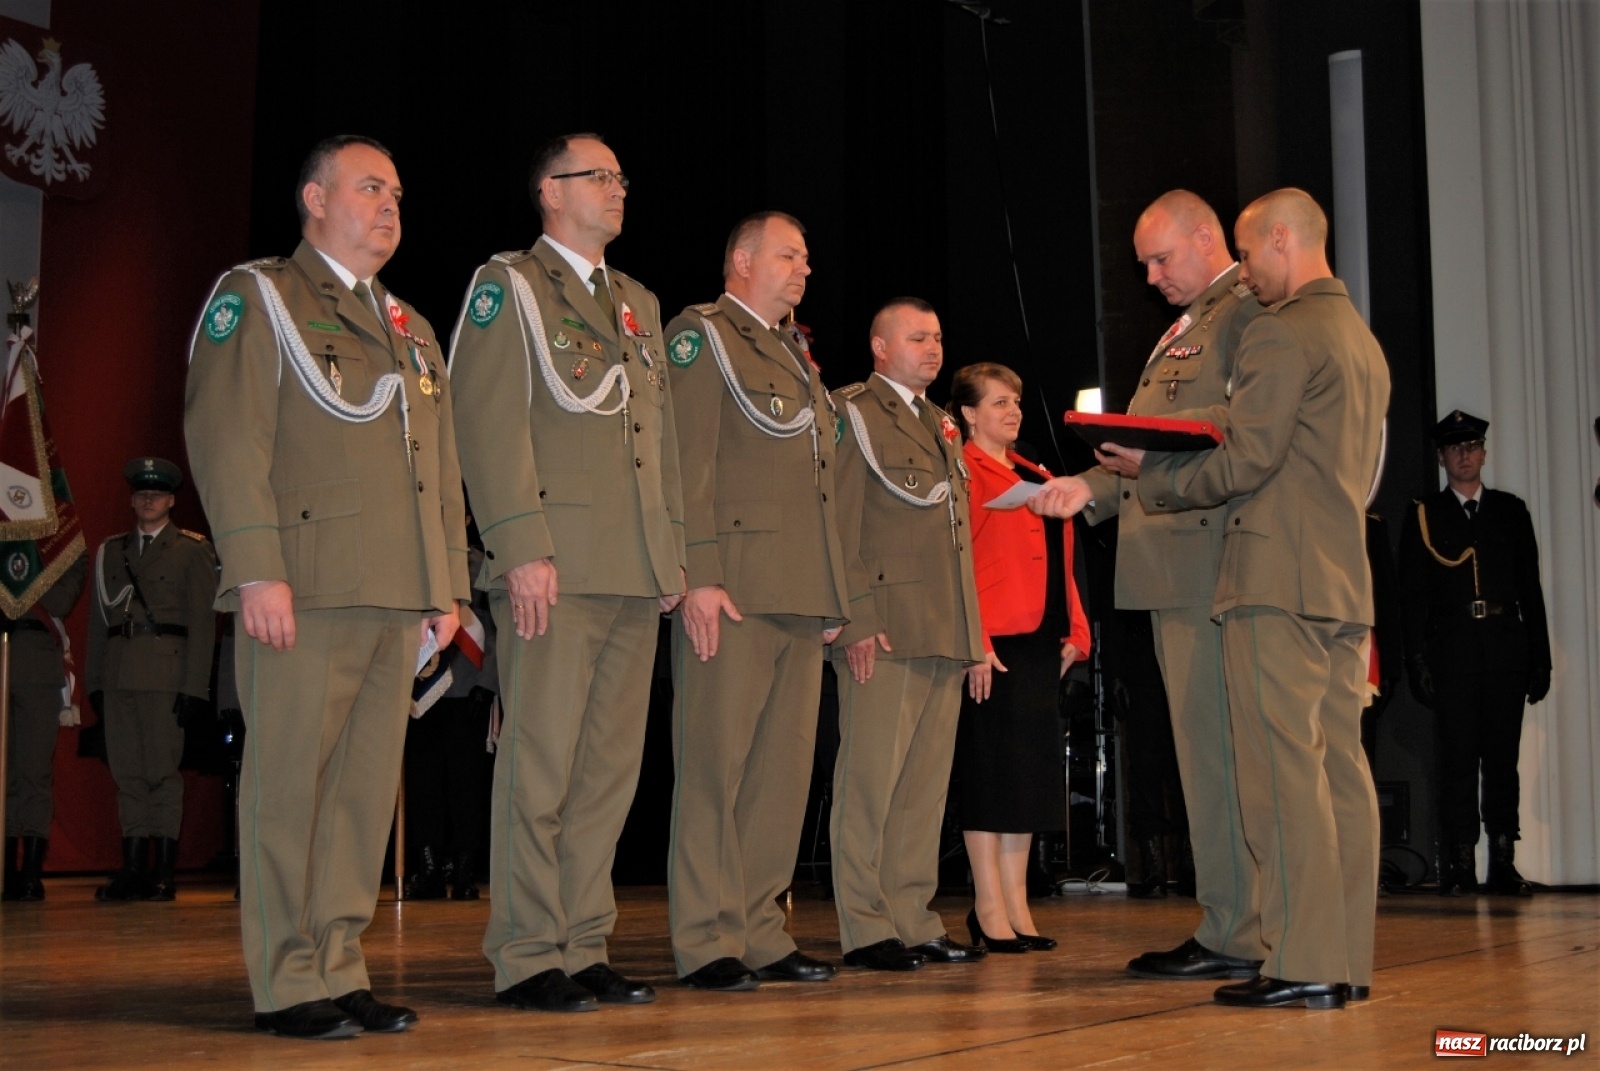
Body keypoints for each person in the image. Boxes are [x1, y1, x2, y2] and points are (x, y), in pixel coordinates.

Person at [185, 134, 469, 1039]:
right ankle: (284, 976)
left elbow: (439, 469)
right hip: (302, 585)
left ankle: (339, 963)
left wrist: (447, 585)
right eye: (369, 187)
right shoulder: (259, 297)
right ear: (313, 198)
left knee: (357, 794)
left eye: (397, 191)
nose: (390, 205)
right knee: (289, 787)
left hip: (394, 591)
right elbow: (230, 438)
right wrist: (255, 564)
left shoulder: (410, 328)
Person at [1089, 188, 1391, 1010]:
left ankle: (1299, 960)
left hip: (1272, 579)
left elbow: (1245, 459)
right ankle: (1341, 955)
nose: (1248, 273)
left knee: (1281, 776)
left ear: (1282, 241)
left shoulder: (1285, 333)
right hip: (1338, 581)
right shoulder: (1360, 340)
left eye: (1252, 253)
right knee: (1339, 777)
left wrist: (1150, 474)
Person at [448, 133, 686, 1014]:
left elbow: (655, 444)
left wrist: (671, 553)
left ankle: (584, 942)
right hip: (556, 561)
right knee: (540, 764)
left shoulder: (638, 302)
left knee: (606, 774)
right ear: (550, 190)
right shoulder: (506, 285)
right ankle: (525, 951)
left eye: (624, 177)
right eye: (601, 176)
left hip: (630, 565)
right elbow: (486, 420)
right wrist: (519, 546)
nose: (620, 189)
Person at [1076, 191, 1267, 975]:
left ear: (1205, 236)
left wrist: (1138, 459)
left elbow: (1241, 425)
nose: (1151, 276)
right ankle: (1228, 919)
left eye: (1162, 258)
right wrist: (1082, 491)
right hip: (1172, 563)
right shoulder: (1191, 322)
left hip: (1208, 561)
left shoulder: (1246, 310)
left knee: (1224, 755)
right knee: (1203, 757)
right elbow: (1157, 449)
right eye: (1144, 264)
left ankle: (1243, 928)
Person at [663, 212, 850, 991]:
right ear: (740, 258)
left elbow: (820, 486)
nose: (803, 267)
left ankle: (762, 928)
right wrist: (696, 573)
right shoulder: (701, 335)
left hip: (800, 590)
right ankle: (707, 937)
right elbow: (686, 457)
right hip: (734, 585)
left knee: (781, 774)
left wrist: (834, 588)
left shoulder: (796, 354)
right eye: (787, 253)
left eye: (807, 255)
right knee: (717, 766)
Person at [828, 298, 994, 972]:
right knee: (870, 781)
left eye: (938, 336)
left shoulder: (941, 424)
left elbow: (956, 541)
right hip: (886, 625)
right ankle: (866, 925)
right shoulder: (853, 411)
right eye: (918, 337)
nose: (933, 348)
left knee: (923, 788)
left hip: (940, 625)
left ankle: (913, 914)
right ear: (878, 344)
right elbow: (839, 522)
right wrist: (857, 617)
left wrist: (972, 634)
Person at [947, 362, 1090, 952]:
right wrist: (971, 638)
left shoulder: (1037, 473)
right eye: (999, 403)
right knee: (991, 774)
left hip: (1039, 638)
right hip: (992, 640)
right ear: (968, 414)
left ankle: (1017, 904)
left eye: (1016, 403)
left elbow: (1065, 557)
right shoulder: (962, 472)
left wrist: (1076, 630)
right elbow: (956, 561)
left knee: (1029, 777)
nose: (1013, 413)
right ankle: (987, 906)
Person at [1399, 410, 1551, 897]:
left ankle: (1502, 861)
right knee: (1459, 760)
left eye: (1473, 446)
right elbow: (1412, 598)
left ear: (1484, 453)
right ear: (1442, 458)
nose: (1465, 455)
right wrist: (1417, 660)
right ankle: (1460, 863)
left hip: (1507, 647)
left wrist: (1540, 658)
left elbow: (1531, 589)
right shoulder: (1425, 513)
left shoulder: (1511, 511)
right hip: (1454, 651)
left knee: (1502, 760)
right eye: (1455, 448)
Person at [85, 458, 217, 904]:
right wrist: (95, 683)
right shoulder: (114, 550)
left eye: (156, 494)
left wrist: (195, 690)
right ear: (132, 499)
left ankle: (163, 872)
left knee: (162, 775)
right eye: (141, 494)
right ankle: (132, 869)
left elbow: (202, 625)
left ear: (172, 500)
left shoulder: (192, 550)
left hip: (167, 676)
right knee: (128, 775)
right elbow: (98, 623)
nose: (148, 500)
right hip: (120, 673)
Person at [403, 537, 496, 902]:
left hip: (466, 690)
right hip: (420, 690)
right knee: (423, 785)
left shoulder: (477, 562)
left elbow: (495, 626)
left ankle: (463, 870)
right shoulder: (412, 555)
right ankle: (427, 869)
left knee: (466, 789)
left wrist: (488, 684)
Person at [1, 557, 86, 902]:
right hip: (2, 652)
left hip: (37, 658)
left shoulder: (65, 547)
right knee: (3, 776)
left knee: (34, 772)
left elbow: (61, 600)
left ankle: (31, 872)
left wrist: (26, 565)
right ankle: (4, 868)